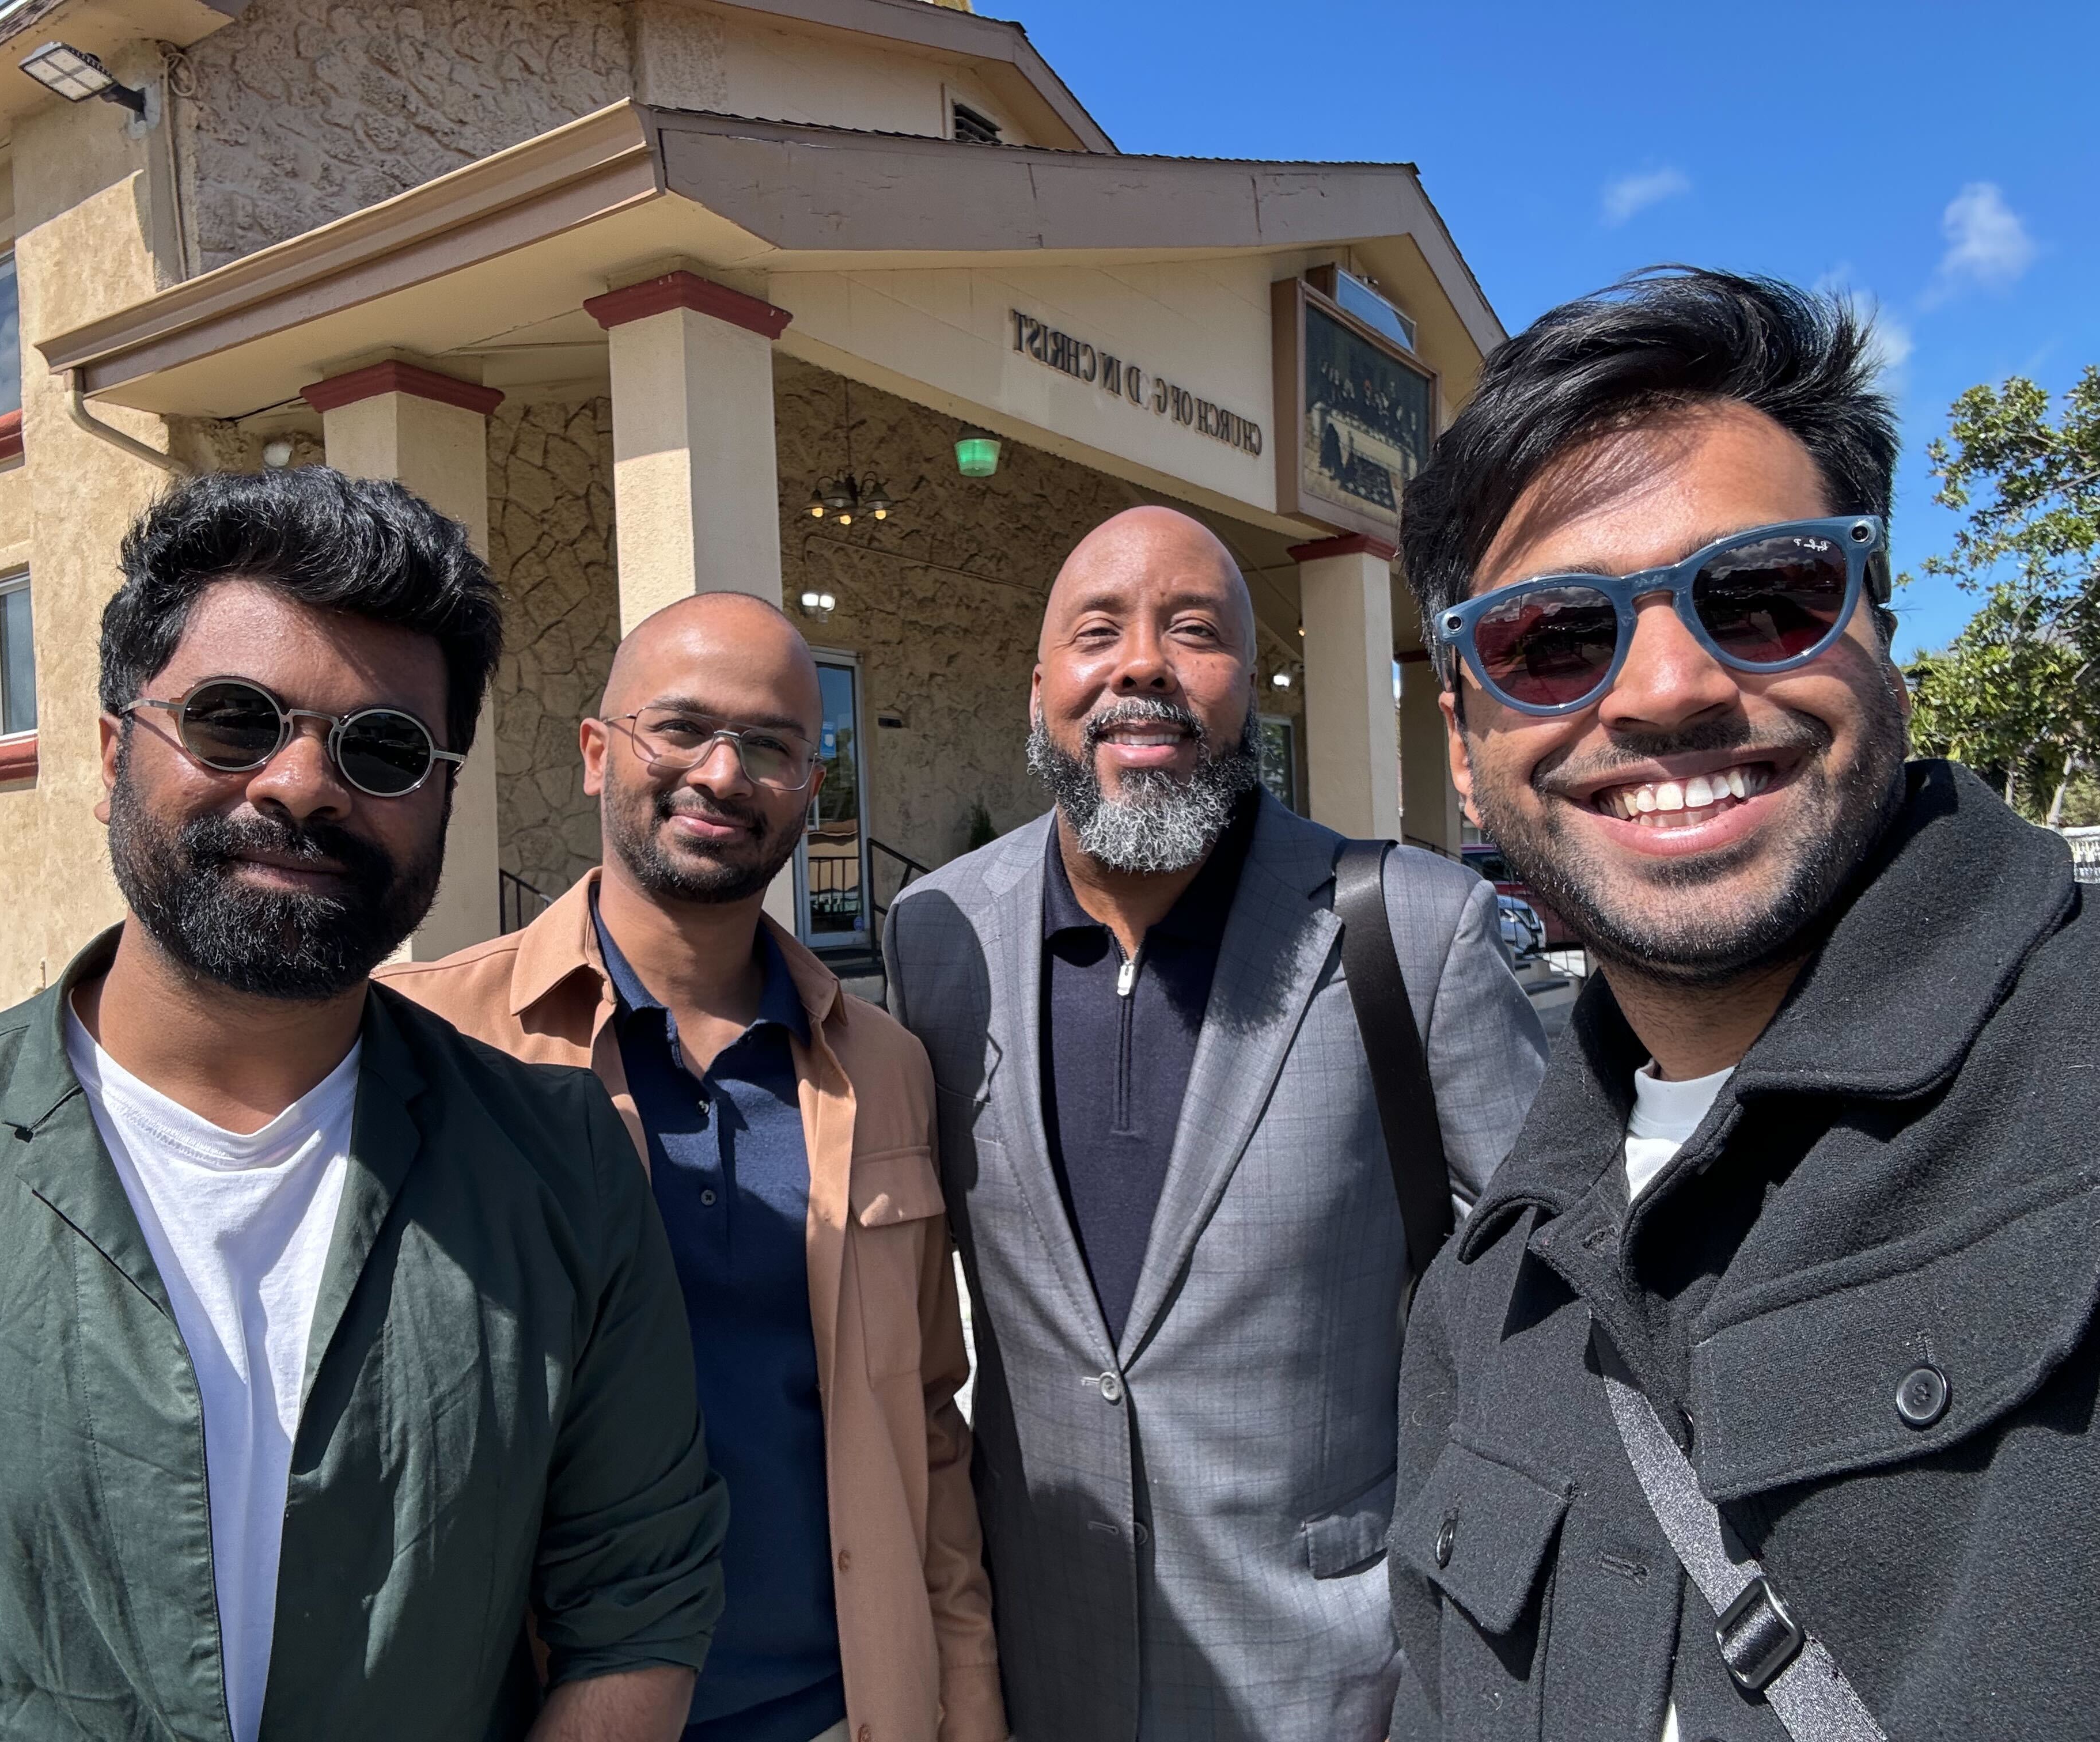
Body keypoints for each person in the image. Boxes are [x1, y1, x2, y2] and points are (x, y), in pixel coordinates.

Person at [0, 467, 727, 1741]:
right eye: (233, 721)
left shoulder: (563, 1169)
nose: (301, 785)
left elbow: (638, 1605)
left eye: (382, 747)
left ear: (443, 796)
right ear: (116, 750)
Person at [1386, 268, 2100, 1741]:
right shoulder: (1485, 1290)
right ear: (1465, 742)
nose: (1664, 687)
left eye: (1766, 593)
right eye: (1553, 638)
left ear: (1881, 635)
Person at [882, 505, 1547, 1741]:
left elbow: (1543, 1325)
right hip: (1039, 1673)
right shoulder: (936, 936)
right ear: (1042, 690)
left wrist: (1473, 1655)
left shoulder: (1410, 928)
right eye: (1099, 633)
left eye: (1194, 632)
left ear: (1251, 680)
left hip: (1340, 1686)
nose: (1142, 664)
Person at [382, 591, 1004, 1742]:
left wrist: (969, 1715)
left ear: (809, 787)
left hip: (845, 1712)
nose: (721, 774)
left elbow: (927, 1428)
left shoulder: (887, 1071)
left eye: (771, 745)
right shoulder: (428, 1046)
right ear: (593, 753)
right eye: (679, 729)